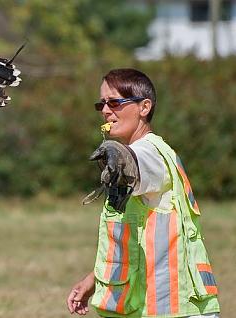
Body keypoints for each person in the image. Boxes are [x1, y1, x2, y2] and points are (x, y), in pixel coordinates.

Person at [66, 68, 220, 317]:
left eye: (114, 102)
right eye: (102, 104)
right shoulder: (144, 152)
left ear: (144, 107)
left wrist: (119, 154)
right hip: (151, 307)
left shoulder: (152, 154)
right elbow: (136, 238)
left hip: (175, 309)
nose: (106, 111)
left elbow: (136, 165)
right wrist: (93, 280)